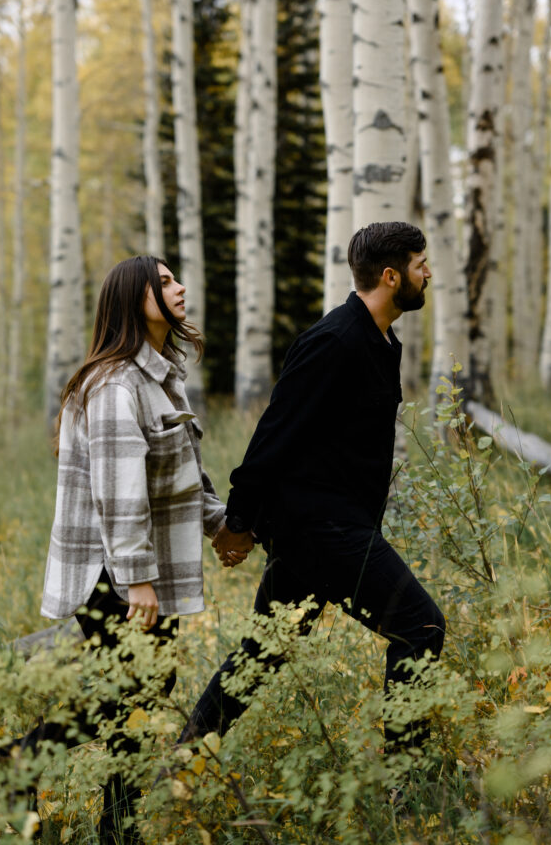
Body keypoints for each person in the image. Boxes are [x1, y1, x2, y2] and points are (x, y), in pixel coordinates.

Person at [177, 221, 445, 765]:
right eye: (421, 265)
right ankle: (405, 780)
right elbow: (275, 435)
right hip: (324, 527)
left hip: (330, 525)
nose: (429, 274)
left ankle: (179, 763)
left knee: (263, 652)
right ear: (392, 276)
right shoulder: (334, 341)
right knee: (421, 626)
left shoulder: (380, 339)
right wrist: (240, 524)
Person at [0, 256, 227, 845]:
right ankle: (34, 775)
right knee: (130, 699)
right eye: (166, 281)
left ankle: (107, 821)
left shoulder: (160, 374)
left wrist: (222, 525)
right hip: (115, 574)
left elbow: (180, 476)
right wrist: (137, 581)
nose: (179, 288)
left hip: (136, 572)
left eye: (177, 277)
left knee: (141, 695)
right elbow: (118, 491)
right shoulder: (117, 385)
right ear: (134, 297)